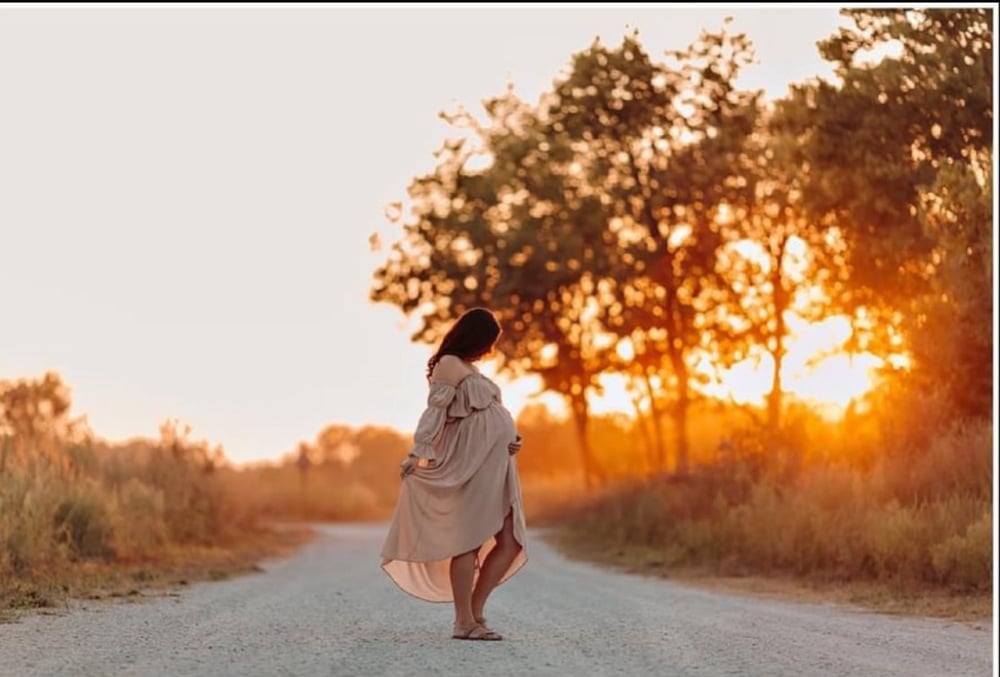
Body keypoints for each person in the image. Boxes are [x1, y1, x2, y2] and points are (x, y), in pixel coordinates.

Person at [380, 307, 527, 641]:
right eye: (489, 342)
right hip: (468, 463)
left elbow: (490, 415)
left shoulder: (472, 369)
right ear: (474, 336)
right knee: (470, 540)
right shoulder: (449, 364)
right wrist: (418, 451)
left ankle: (474, 613)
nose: (490, 350)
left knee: (511, 541)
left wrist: (511, 439)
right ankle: (464, 622)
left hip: (497, 464)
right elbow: (434, 413)